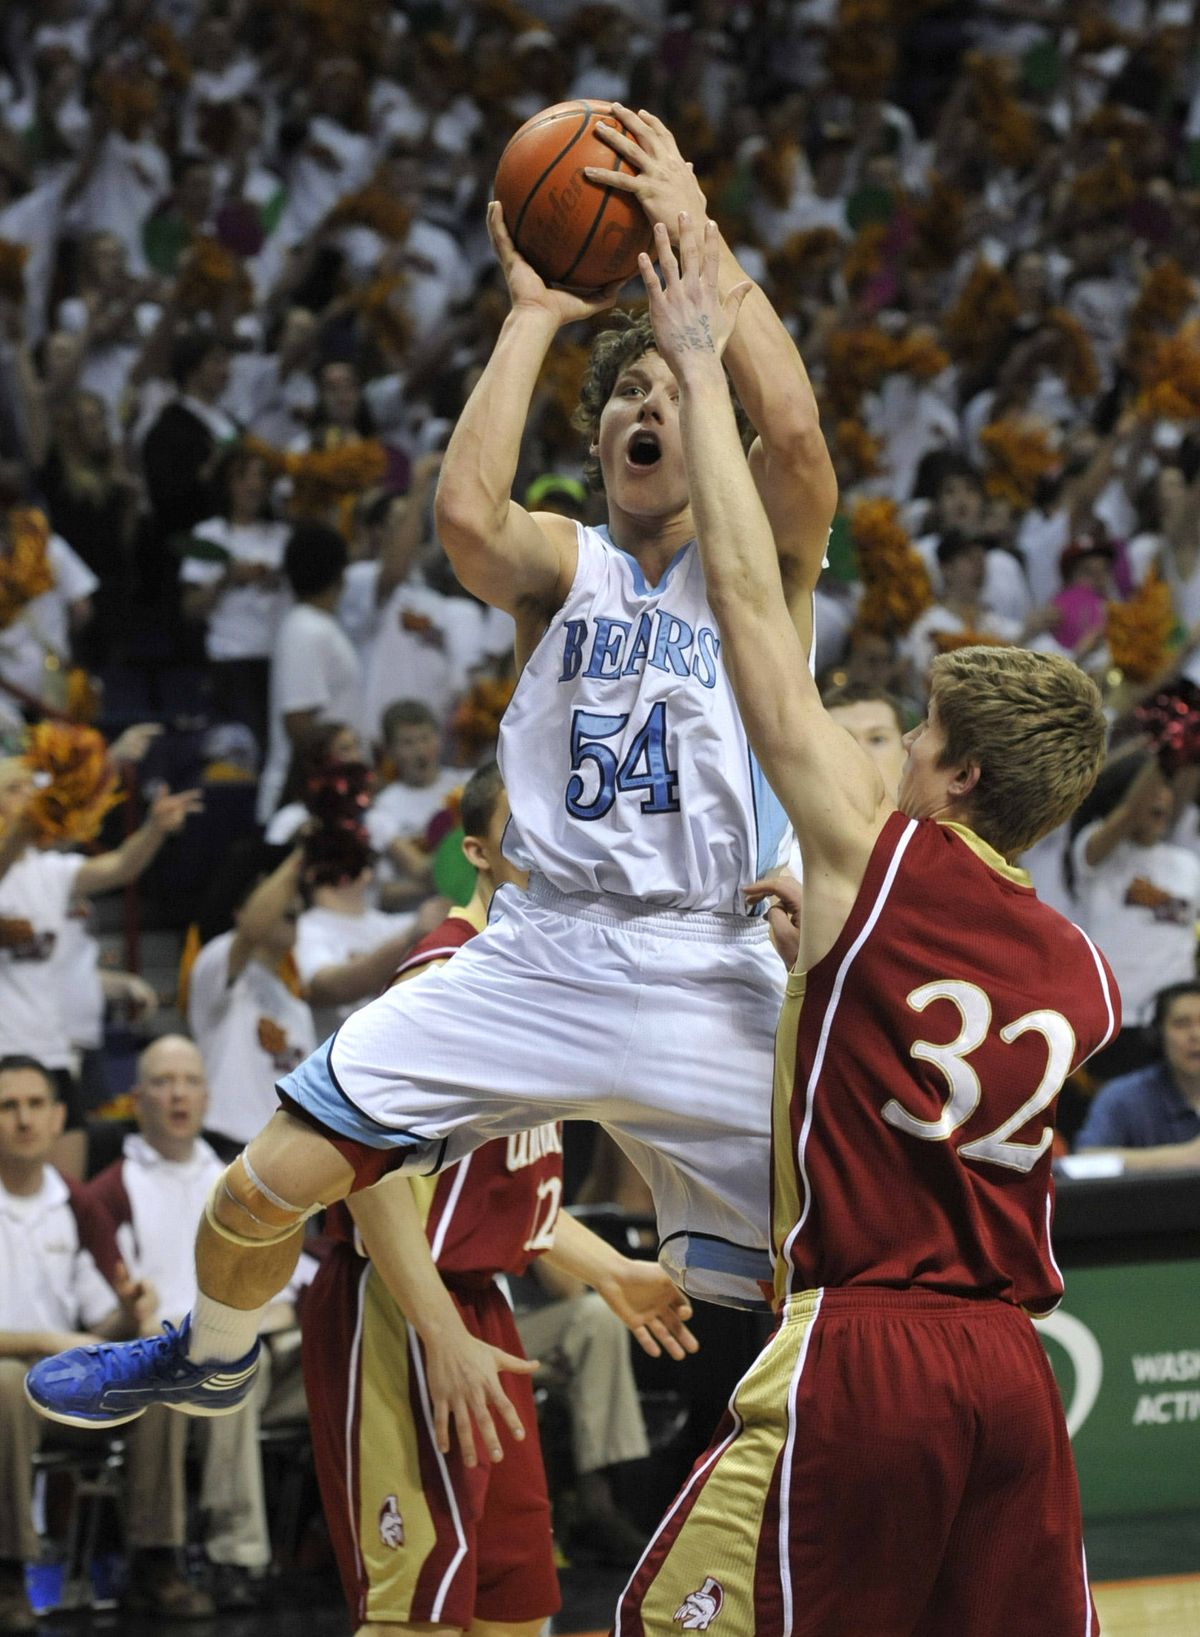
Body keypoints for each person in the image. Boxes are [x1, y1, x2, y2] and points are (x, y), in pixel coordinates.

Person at [25, 105, 835, 1426]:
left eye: (668, 392)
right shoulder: (565, 561)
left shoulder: (755, 571)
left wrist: (696, 249)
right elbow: (463, 518)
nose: (647, 405)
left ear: (705, 428)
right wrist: (530, 315)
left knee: (848, 1248)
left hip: (709, 957)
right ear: (603, 438)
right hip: (537, 951)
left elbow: (799, 447)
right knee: (261, 1184)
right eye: (625, 394)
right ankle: (220, 1348)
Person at [615, 214, 1117, 1635]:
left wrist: (701, 371)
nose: (888, 753)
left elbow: (748, 604)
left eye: (921, 740)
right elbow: (909, 1036)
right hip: (1016, 1366)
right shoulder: (1083, 976)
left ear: (955, 773)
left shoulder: (874, 855)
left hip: (865, 1342)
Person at [302, 762, 692, 1635]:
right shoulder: (438, 977)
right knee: (416, 1613)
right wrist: (438, 1329)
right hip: (402, 1308)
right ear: (477, 852)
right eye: (527, 822)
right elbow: (367, 1179)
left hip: (480, 1309)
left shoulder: (535, 982)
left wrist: (611, 1268)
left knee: (514, 1604)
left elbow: (499, 1192)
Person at [84, 1035, 305, 1612]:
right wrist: (132, 1312)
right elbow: (101, 1309)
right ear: (136, 1099)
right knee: (224, 1373)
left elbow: (300, 1277)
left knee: (328, 1343)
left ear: (208, 1095)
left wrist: (267, 1316)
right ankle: (235, 1557)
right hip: (170, 1355)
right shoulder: (108, 1192)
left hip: (263, 1339)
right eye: (161, 1082)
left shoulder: (247, 1175)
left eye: (189, 1081)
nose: (177, 1094)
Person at [0, 1055, 215, 1631]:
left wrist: (127, 1313)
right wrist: (48, 1339)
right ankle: (9, 1576)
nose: (23, 1119)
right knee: (5, 1387)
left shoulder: (74, 1201)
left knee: (156, 1371)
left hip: (59, 1382)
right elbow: (61, 1338)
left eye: (36, 1105)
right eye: (8, 1106)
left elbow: (95, 1326)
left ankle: (153, 1562)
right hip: (12, 1384)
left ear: (57, 1117)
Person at [1074, 980, 1200, 1170]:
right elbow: (1086, 1160)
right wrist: (1185, 1157)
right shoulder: (1123, 1097)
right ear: (1158, 1034)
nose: (1196, 1035)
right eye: (1181, 1024)